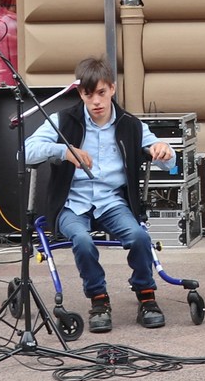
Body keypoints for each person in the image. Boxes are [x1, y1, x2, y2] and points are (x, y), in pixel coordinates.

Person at [25, 56, 176, 333]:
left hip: (112, 202)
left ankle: (146, 295)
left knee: (139, 236)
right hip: (72, 203)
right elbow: (25, 151)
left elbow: (168, 159)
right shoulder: (62, 120)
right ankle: (98, 299)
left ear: (113, 89)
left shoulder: (131, 124)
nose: (96, 101)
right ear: (79, 92)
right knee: (82, 240)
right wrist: (62, 151)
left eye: (102, 93)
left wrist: (164, 150)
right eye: (88, 94)